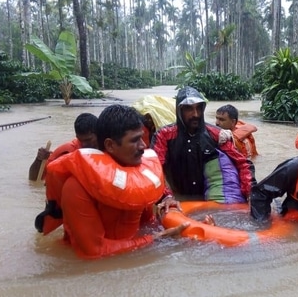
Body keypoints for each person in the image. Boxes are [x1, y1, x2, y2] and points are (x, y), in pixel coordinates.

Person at [34, 105, 188, 259]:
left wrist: (186, 229)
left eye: (142, 137)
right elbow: (94, 252)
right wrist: (156, 239)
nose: (143, 146)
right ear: (110, 145)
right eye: (134, 140)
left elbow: (148, 224)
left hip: (132, 253)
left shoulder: (138, 179)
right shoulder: (75, 188)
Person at [151, 86, 256, 206]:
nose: (195, 114)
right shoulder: (164, 135)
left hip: (208, 198)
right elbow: (155, 169)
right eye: (189, 109)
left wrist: (251, 193)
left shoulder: (217, 134)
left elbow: (242, 163)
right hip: (176, 196)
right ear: (180, 110)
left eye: (198, 108)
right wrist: (166, 196)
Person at [28, 113, 98, 181]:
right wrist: (39, 159)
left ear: (98, 134)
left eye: (88, 140)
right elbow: (33, 179)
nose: (84, 144)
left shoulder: (107, 147)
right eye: (80, 140)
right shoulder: (68, 151)